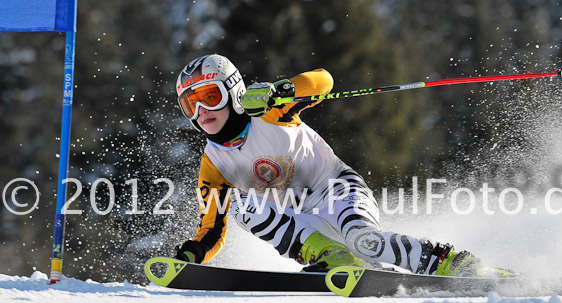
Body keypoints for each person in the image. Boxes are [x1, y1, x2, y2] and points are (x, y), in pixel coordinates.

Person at [174, 53, 513, 278]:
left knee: (366, 242)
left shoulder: (270, 112)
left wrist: (285, 90)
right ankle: (334, 258)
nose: (202, 111)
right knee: (241, 207)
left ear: (233, 92)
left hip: (338, 191)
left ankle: (454, 264)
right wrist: (191, 256)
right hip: (302, 224)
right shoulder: (213, 163)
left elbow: (323, 81)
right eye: (192, 104)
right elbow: (211, 227)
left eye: (211, 97)